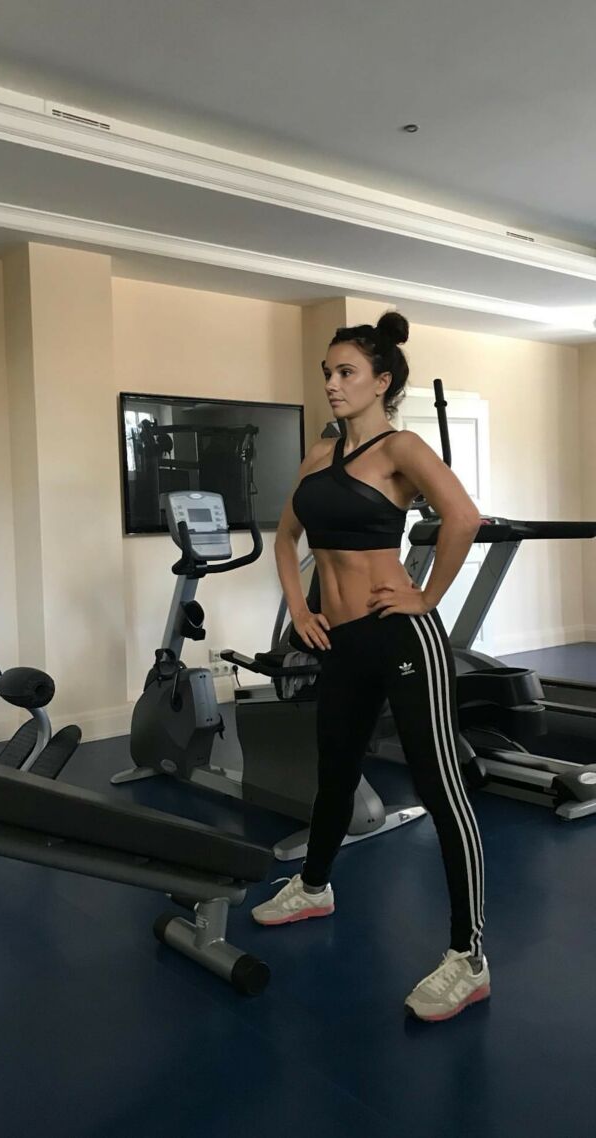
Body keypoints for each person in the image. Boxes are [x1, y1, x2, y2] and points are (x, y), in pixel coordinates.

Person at [252, 311, 489, 1022]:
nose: (332, 382)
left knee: (440, 787)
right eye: (328, 371)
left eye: (346, 371)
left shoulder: (401, 448)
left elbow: (464, 517)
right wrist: (300, 607)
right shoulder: (319, 455)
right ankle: (314, 886)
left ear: (382, 381)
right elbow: (286, 537)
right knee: (335, 773)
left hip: (400, 635)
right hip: (342, 643)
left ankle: (469, 958)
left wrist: (427, 595)